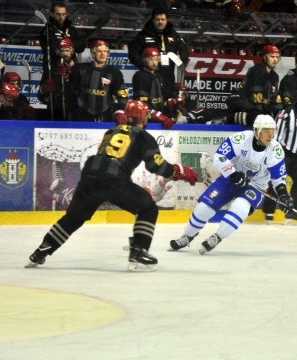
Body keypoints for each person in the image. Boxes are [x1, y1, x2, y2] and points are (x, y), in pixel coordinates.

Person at [25, 100, 199, 271]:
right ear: (143, 118)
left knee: (73, 218)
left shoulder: (112, 131)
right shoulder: (144, 136)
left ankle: (42, 250)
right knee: (148, 208)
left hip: (89, 177)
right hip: (113, 180)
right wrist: (179, 171)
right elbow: (156, 166)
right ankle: (139, 250)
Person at [169, 114, 293, 255]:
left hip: (255, 186)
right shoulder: (241, 139)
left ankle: (217, 237)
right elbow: (219, 156)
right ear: (257, 131)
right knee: (204, 208)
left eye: (273, 130)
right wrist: (233, 173)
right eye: (266, 130)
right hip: (231, 178)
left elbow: (278, 179)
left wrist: (284, 196)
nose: (270, 134)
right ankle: (187, 236)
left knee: (240, 207)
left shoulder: (275, 151)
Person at [262, 88, 297, 225]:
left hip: (294, 153)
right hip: (281, 152)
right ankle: (269, 211)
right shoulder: (286, 113)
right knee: (276, 180)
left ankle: (292, 211)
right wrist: (278, 149)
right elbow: (276, 133)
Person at [39, 1, 85, 119]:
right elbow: (53, 49)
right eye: (58, 14)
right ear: (52, 14)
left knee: (74, 104)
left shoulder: (71, 29)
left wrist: (68, 42)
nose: (61, 17)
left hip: (71, 71)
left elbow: (82, 46)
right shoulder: (47, 31)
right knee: (52, 103)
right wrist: (64, 42)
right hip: (53, 71)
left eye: (63, 14)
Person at [128, 7, 189, 94]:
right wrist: (144, 65)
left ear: (166, 20)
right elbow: (133, 53)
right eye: (157, 19)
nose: (160, 22)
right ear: (153, 20)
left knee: (168, 104)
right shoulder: (144, 34)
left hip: (169, 77)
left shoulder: (173, 34)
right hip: (149, 76)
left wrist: (179, 58)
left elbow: (184, 52)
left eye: (162, 19)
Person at [69, 40, 128, 122]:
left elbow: (122, 94)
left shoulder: (114, 73)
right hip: (82, 114)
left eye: (105, 51)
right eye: (99, 51)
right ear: (93, 53)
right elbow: (71, 89)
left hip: (105, 116)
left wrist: (121, 110)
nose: (103, 54)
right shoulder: (81, 69)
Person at [226, 43, 282, 126]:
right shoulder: (257, 71)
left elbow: (274, 98)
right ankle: (226, 119)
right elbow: (256, 99)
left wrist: (280, 114)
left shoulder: (275, 76)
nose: (275, 60)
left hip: (257, 107)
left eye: (277, 57)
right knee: (257, 118)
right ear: (264, 57)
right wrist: (264, 116)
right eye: (272, 56)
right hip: (244, 104)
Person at [131, 47, 178, 129]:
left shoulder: (159, 75)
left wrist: (172, 101)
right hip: (145, 121)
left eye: (156, 59)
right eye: (151, 59)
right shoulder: (140, 76)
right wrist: (156, 115)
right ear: (145, 60)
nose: (154, 63)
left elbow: (164, 96)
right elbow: (141, 104)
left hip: (159, 118)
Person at [39, 37, 77, 121]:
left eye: (67, 50)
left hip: (74, 114)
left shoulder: (80, 69)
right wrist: (45, 92)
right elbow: (41, 97)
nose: (65, 53)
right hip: (54, 113)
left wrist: (69, 80)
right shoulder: (51, 71)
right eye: (62, 51)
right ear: (58, 52)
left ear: (72, 51)